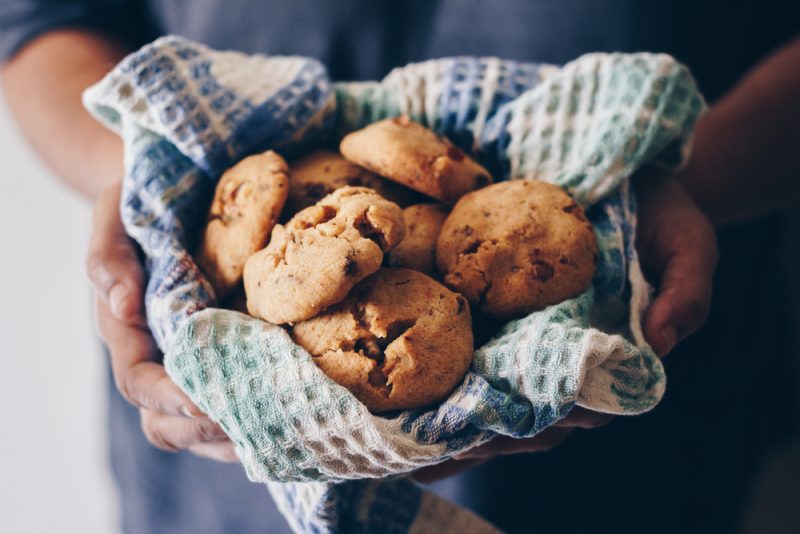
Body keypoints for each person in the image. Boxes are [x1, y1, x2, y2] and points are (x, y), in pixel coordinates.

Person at [1, 1, 797, 532]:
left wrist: (683, 179)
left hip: (624, 446)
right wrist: (132, 173)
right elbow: (41, 21)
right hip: (225, 483)